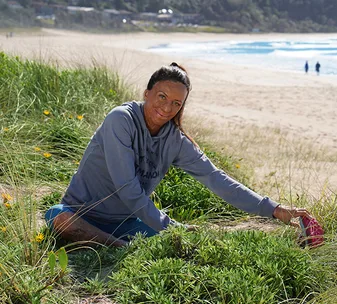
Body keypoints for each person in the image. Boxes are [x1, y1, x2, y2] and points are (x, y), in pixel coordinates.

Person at [45, 63, 311, 247]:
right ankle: (118, 247)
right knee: (59, 218)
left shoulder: (174, 140)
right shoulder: (121, 119)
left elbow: (216, 178)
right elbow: (128, 189)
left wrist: (274, 209)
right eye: (161, 96)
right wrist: (170, 226)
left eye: (176, 103)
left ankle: (118, 243)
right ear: (147, 93)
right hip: (79, 214)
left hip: (126, 223)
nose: (166, 107)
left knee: (191, 240)